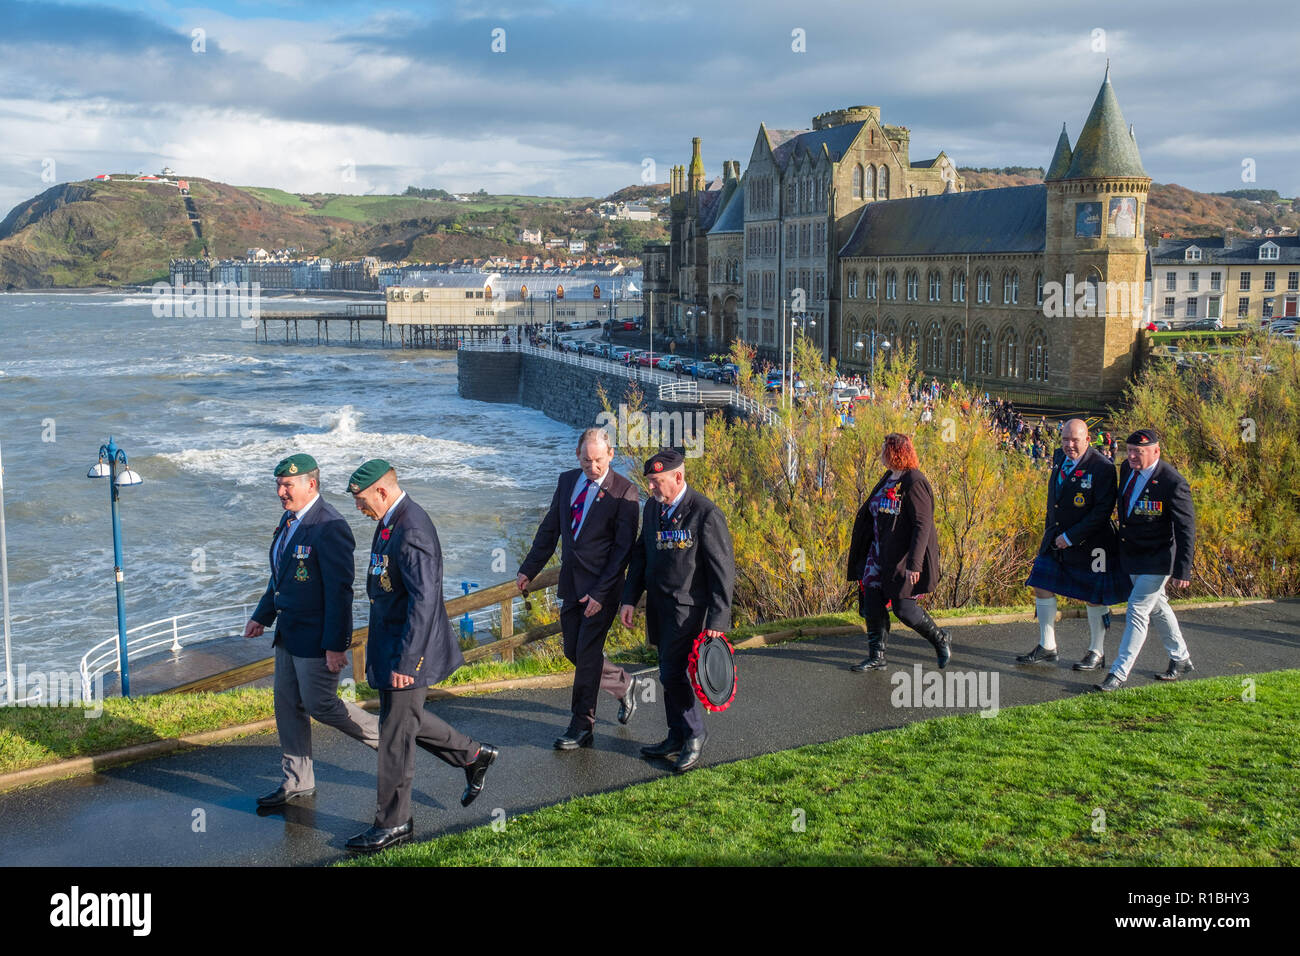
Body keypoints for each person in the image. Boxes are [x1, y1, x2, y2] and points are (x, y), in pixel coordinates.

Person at [344, 459, 498, 851]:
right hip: (394, 642)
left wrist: (408, 661)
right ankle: (472, 754)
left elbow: (425, 599)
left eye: (362, 500)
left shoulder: (411, 528)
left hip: (408, 648)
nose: (359, 508)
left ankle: (394, 823)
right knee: (402, 721)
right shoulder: (390, 520)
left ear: (382, 490)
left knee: (395, 735)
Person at [244, 453, 380, 808]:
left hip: (317, 640)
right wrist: (262, 614)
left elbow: (339, 592)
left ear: (311, 484)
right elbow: (282, 577)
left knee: (322, 705)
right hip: (288, 634)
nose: (280, 492)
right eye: (278, 485)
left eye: (287, 485)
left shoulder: (329, 526)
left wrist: (336, 645)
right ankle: (296, 781)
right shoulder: (290, 521)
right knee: (287, 706)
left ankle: (388, 739)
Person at [518, 428, 642, 749]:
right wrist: (529, 569)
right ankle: (623, 684)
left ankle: (582, 725)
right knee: (572, 650)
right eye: (587, 460)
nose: (593, 467)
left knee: (586, 654)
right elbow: (550, 530)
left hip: (603, 589)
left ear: (611, 455)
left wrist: (601, 594)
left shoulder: (625, 493)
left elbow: (622, 552)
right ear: (578, 456)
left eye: (599, 460)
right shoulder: (567, 481)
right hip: (572, 585)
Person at [619, 448, 734, 774]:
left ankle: (696, 733)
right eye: (650, 482)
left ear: (678, 477)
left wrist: (717, 618)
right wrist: (629, 598)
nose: (651, 488)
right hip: (659, 607)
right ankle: (676, 734)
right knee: (668, 672)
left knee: (672, 673)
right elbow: (641, 555)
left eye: (657, 482)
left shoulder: (705, 513)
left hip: (689, 611)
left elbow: (723, 570)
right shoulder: (653, 508)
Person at [1017, 419, 1131, 671]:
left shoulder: (1102, 467)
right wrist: (1051, 534)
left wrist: (1070, 537)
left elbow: (1102, 511)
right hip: (1056, 539)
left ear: (1088, 440)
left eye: (1075, 440)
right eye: (1065, 439)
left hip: (1093, 544)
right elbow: (1054, 502)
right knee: (1040, 583)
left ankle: (1097, 651)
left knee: (1095, 597)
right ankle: (1048, 647)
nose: (1069, 445)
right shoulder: (1059, 458)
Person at [1094, 430, 1196, 692]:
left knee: (1137, 611)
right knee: (1158, 607)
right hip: (1132, 555)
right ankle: (1181, 658)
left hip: (1157, 559)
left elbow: (1186, 529)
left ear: (1156, 451)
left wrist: (1183, 569)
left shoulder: (1173, 482)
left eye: (1137, 452)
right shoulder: (1127, 470)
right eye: (1128, 451)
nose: (1131, 457)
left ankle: (1118, 673)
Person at [846, 433, 951, 672]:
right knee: (872, 598)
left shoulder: (915, 481)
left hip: (903, 557)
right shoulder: (888, 477)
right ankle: (877, 655)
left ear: (895, 452)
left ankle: (940, 639)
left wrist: (915, 564)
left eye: (884, 448)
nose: (880, 453)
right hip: (878, 552)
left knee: (904, 610)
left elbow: (922, 525)